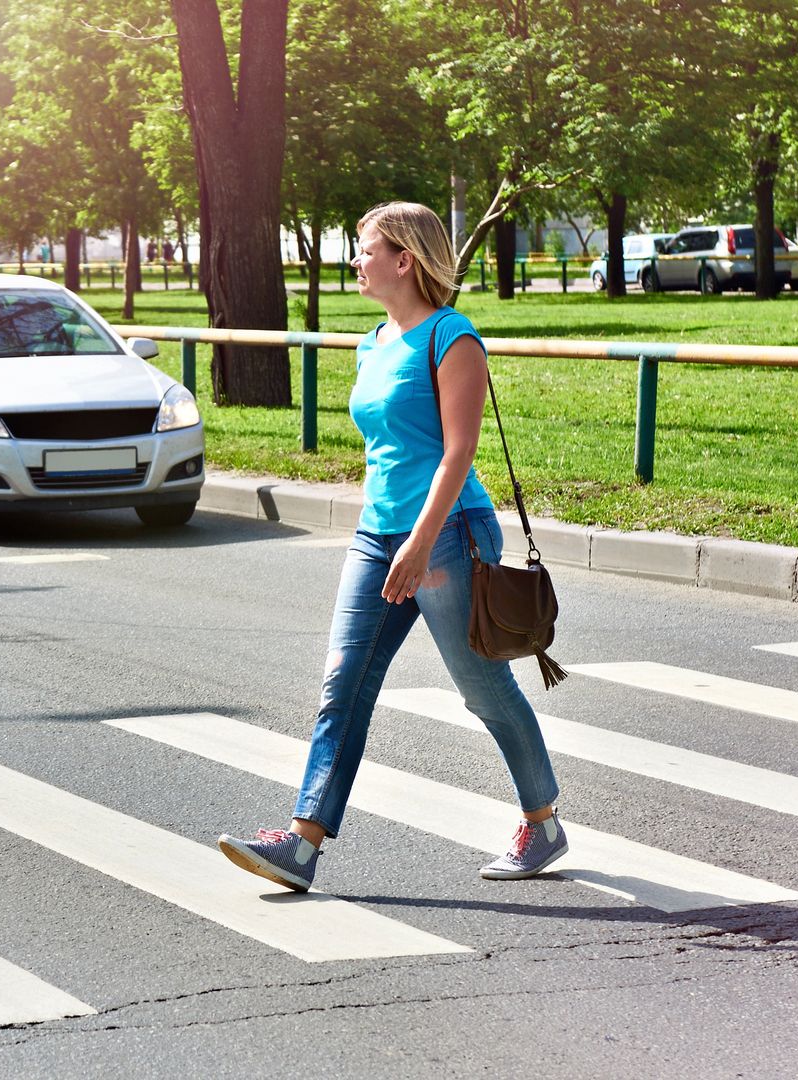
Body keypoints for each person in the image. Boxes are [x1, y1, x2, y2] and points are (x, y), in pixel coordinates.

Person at [217, 201, 567, 892]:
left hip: (446, 534)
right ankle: (303, 843)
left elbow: (458, 453)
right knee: (342, 683)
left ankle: (543, 821)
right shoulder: (372, 341)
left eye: (364, 247)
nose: (355, 259)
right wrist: (385, 529)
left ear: (403, 259)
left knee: (483, 687)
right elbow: (387, 448)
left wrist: (422, 540)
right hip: (379, 536)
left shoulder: (452, 338)